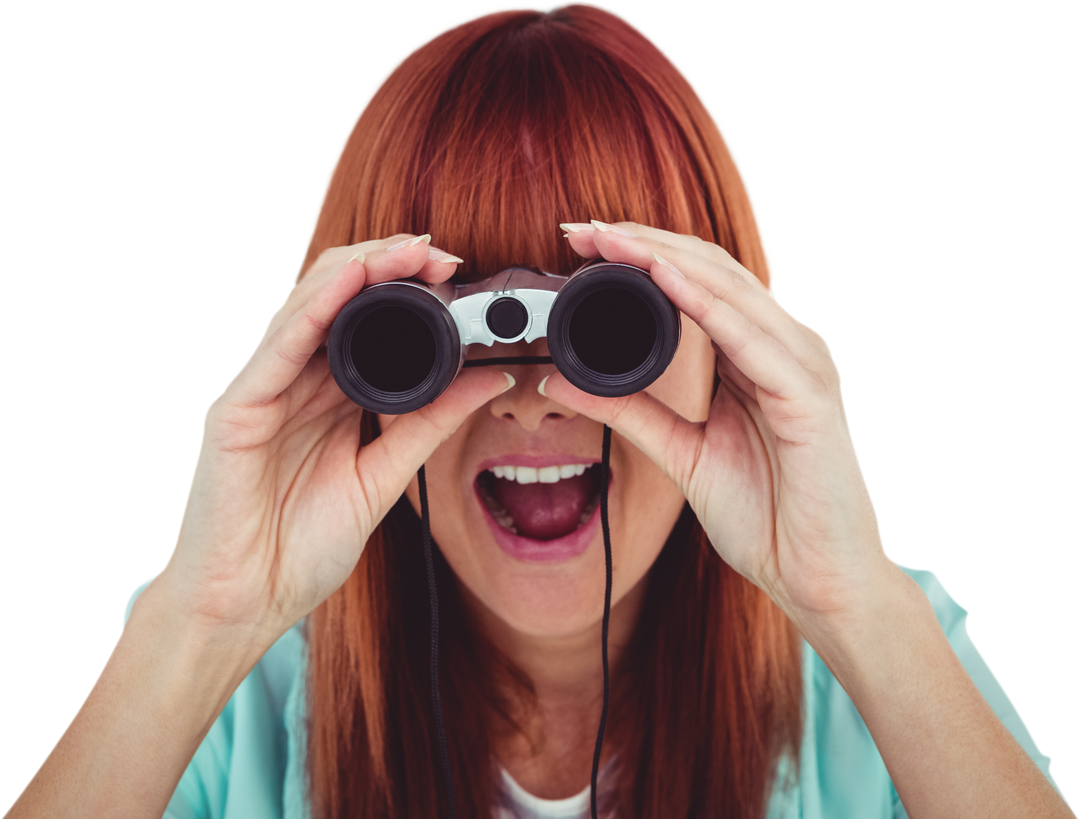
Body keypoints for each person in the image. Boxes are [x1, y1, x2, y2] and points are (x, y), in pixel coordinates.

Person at [6, 2, 1073, 818]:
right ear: (345, 359)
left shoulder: (881, 655)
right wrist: (201, 626)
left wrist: (856, 607)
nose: (527, 398)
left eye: (609, 331)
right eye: (420, 338)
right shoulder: (234, 680)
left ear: (730, 342)